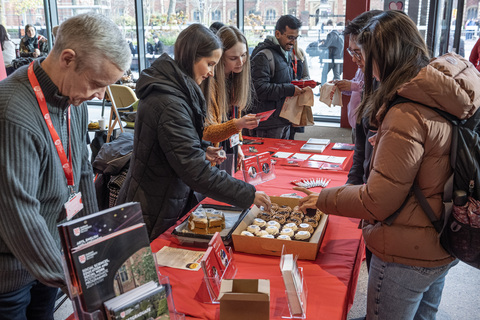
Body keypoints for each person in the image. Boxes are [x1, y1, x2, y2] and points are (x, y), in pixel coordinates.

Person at [296, 10, 478, 319]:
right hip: (444, 235)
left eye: (364, 55)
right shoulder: (445, 93)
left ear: (386, 54)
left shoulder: (406, 111)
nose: (361, 64)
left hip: (406, 249)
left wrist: (325, 199)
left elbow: (379, 200)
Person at [0, 13, 131, 319]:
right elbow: (19, 212)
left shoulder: (73, 101)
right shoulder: (12, 112)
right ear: (67, 59)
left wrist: (91, 245)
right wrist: (77, 279)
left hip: (51, 256)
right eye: (97, 83)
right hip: (10, 274)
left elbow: (83, 172)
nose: (100, 95)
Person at [117, 24, 271, 241]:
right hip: (156, 202)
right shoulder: (170, 102)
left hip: (165, 197)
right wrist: (247, 193)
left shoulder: (176, 93)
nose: (210, 72)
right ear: (191, 57)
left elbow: (174, 145)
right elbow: (194, 170)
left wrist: (201, 150)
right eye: (209, 64)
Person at [203, 25, 259, 174]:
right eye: (233, 58)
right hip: (213, 151)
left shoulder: (235, 78)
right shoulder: (210, 83)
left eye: (244, 55)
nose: (240, 62)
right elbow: (207, 131)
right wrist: (239, 124)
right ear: (220, 57)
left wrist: (238, 145)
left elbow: (235, 114)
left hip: (229, 145)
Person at [249, 14, 305, 139]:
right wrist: (290, 89)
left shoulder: (285, 53)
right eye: (290, 37)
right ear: (278, 34)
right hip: (268, 124)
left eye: (296, 38)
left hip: (283, 119)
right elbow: (259, 89)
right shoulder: (264, 56)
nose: (293, 42)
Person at [334, 11, 381, 145]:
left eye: (358, 53)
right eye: (351, 52)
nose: (354, 59)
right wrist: (345, 87)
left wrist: (352, 86)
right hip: (358, 122)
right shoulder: (363, 67)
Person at [288, 40, 310, 140]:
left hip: (298, 96)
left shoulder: (300, 53)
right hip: (286, 95)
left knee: (293, 131)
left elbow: (306, 76)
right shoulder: (280, 54)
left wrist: (302, 82)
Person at [320, 20, 344, 84]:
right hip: (338, 58)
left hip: (331, 58)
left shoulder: (331, 34)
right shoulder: (341, 35)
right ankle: (337, 92)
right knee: (337, 76)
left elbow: (325, 46)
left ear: (329, 26)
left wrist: (319, 46)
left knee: (324, 74)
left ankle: (322, 89)